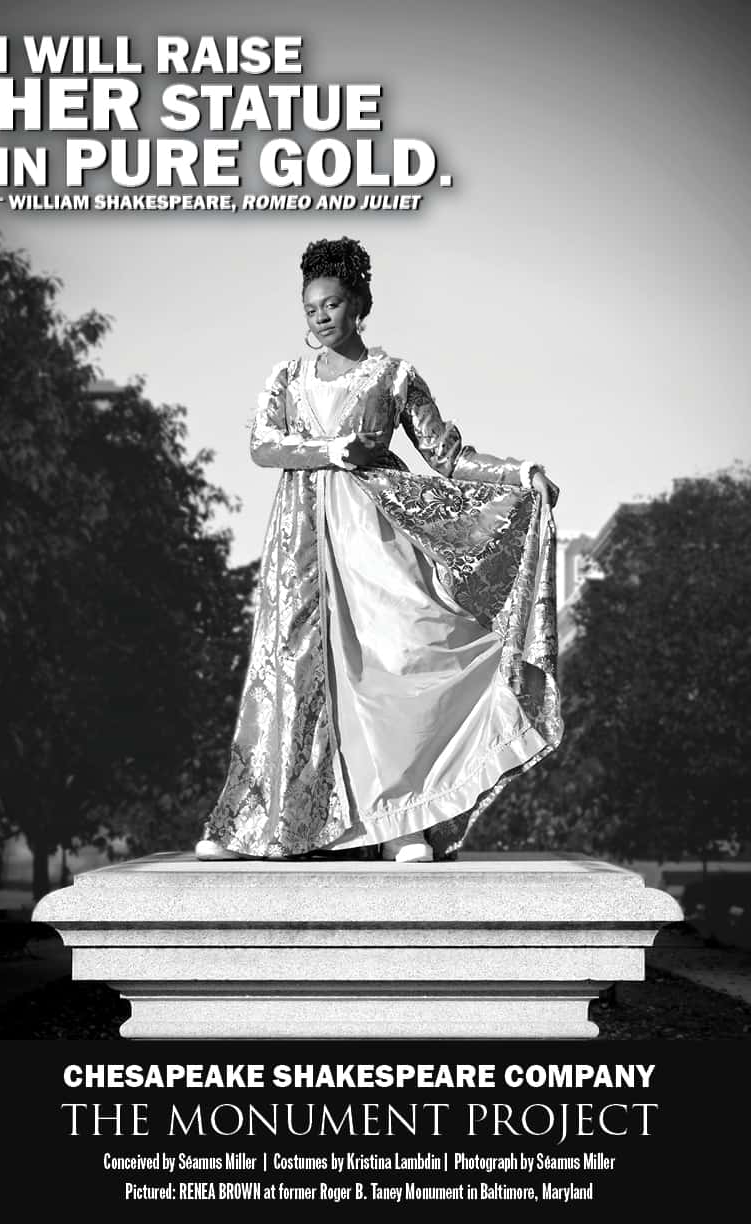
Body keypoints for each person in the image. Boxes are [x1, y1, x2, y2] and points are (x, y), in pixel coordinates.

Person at [195, 236, 562, 864]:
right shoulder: (285, 378)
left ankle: (404, 823)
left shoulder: (395, 376)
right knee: (294, 677)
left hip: (379, 539)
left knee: (403, 660)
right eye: (310, 306)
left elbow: (446, 454)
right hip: (303, 547)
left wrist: (519, 472)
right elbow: (262, 446)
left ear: (359, 305)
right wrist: (333, 451)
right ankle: (253, 826)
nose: (320, 316)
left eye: (333, 304)